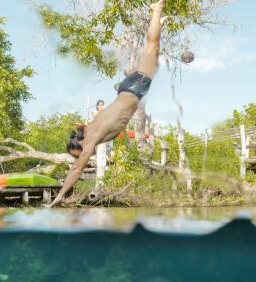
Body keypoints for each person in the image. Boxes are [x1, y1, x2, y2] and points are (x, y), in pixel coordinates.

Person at [46, 0, 167, 207]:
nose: (87, 156)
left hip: (133, 89)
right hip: (127, 88)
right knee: (152, 56)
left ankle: (156, 10)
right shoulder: (93, 130)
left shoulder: (90, 139)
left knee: (151, 47)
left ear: (80, 145)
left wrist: (58, 198)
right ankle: (157, 25)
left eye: (81, 154)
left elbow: (76, 170)